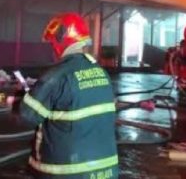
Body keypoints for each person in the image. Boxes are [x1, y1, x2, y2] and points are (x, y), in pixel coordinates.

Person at [18, 12, 118, 179]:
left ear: (60, 41)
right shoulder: (101, 73)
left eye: (52, 44)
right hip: (107, 170)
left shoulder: (56, 76)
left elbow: (27, 115)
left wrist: (19, 99)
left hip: (67, 172)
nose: (51, 49)